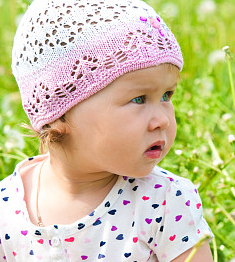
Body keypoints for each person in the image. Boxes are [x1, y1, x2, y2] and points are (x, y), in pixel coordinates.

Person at [0, 0, 214, 261]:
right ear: (59, 112)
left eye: (167, 95)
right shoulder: (7, 209)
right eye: (139, 99)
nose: (163, 120)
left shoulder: (166, 200)